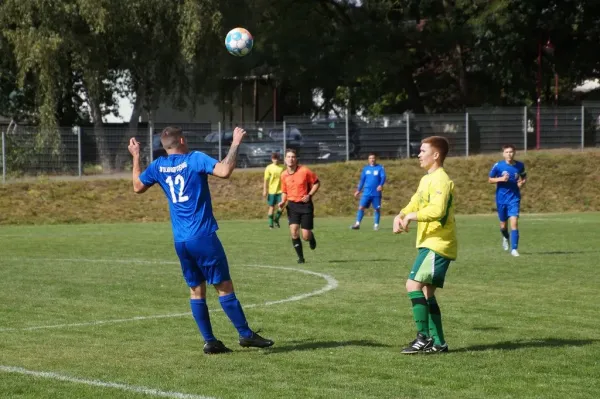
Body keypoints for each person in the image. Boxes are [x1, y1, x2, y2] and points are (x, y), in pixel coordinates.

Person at [127, 126, 274, 355]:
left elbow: (137, 187)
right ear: (183, 140)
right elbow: (225, 171)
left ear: (165, 147)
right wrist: (235, 143)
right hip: (202, 236)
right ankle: (245, 335)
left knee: (196, 290)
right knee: (224, 287)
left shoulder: (157, 165)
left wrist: (136, 157)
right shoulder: (195, 158)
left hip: (181, 241)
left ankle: (210, 341)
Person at [393, 136, 457, 354]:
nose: (418, 154)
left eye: (422, 151)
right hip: (430, 243)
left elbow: (438, 210)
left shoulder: (441, 179)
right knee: (428, 293)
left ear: (435, 155)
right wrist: (401, 214)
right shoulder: (426, 179)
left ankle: (423, 338)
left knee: (412, 286)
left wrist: (411, 216)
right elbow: (415, 200)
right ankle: (439, 343)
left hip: (437, 244)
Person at [278, 149, 320, 264]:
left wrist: (309, 195)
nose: (291, 159)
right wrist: (282, 201)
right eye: (288, 157)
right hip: (292, 206)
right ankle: (300, 258)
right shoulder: (283, 175)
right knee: (294, 232)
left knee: (305, 236)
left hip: (305, 205)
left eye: (293, 157)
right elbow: (284, 191)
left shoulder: (305, 171)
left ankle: (311, 237)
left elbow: (316, 183)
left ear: (296, 159)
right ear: (285, 159)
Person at [488, 144, 527, 257]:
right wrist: (500, 179)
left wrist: (521, 182)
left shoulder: (520, 165)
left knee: (514, 223)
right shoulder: (498, 166)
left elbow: (523, 176)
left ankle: (514, 249)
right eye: (507, 152)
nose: (509, 154)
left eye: (511, 152)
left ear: (514, 152)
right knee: (503, 226)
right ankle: (505, 237)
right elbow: (490, 179)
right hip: (501, 199)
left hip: (514, 198)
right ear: (503, 154)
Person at [351, 153, 386, 231]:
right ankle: (357, 224)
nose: (372, 160)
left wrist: (380, 185)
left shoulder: (380, 168)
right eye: (370, 158)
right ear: (368, 159)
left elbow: (383, 177)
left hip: (376, 193)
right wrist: (358, 190)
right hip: (366, 192)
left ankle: (376, 225)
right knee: (361, 207)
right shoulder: (365, 169)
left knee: (377, 209)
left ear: (375, 159)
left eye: (373, 158)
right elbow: (362, 180)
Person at [263, 152, 285, 229]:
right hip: (272, 191)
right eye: (274, 159)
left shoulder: (283, 167)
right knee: (271, 207)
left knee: (281, 206)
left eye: (277, 159)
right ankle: (271, 224)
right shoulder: (269, 167)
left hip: (281, 191)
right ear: (272, 159)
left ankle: (276, 219)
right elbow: (266, 180)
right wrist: (265, 190)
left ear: (279, 159)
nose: (275, 160)